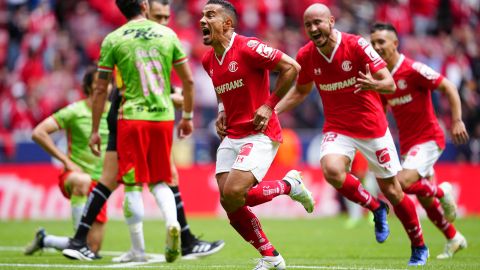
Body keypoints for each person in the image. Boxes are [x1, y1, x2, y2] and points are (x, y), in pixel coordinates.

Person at [275, 3, 428, 266]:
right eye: (308, 25)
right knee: (331, 170)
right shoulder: (306, 55)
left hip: (372, 128)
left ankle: (418, 244)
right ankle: (375, 207)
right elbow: (301, 91)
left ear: (331, 21)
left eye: (318, 23)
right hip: (338, 127)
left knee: (392, 190)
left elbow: (389, 83)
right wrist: (272, 110)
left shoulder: (356, 45)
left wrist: (375, 84)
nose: (313, 29)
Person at [62, 0, 194, 263]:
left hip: (131, 116)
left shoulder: (114, 38)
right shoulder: (168, 34)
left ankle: (86, 240)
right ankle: (174, 225)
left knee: (124, 181)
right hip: (164, 116)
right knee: (161, 178)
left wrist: (96, 129)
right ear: (145, 5)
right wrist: (187, 116)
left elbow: (100, 89)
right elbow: (188, 80)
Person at [200, 1, 315, 269]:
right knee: (230, 202)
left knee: (237, 192)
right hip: (232, 133)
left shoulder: (248, 47)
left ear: (227, 24)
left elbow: (292, 67)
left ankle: (290, 185)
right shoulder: (208, 59)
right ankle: (271, 257)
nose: (203, 21)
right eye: (202, 16)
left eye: (210, 16)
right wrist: (220, 110)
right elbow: (220, 87)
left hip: (259, 132)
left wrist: (269, 104)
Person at [112, 0, 224, 262]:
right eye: (158, 17)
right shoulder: (125, 41)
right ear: (143, 11)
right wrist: (176, 101)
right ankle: (84, 238)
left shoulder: (158, 40)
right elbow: (125, 87)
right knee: (123, 181)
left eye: (166, 18)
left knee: (160, 177)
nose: (163, 23)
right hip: (127, 116)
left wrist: (176, 101)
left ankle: (180, 240)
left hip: (147, 117)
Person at [370, 22, 469, 259]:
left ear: (395, 44)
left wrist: (457, 120)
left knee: (401, 183)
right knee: (425, 201)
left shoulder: (413, 69)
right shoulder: (383, 78)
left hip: (429, 139)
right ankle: (454, 238)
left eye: (381, 42)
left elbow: (448, 87)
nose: (376, 47)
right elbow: (381, 113)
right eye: (373, 43)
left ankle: (442, 192)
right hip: (408, 145)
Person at [25, 67, 109, 258]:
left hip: (101, 185)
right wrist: (65, 161)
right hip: (74, 177)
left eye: (107, 82)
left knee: (94, 247)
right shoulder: (75, 111)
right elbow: (39, 132)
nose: (103, 87)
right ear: (88, 87)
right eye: (98, 83)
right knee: (82, 181)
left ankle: (45, 240)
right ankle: (79, 244)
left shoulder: (114, 111)